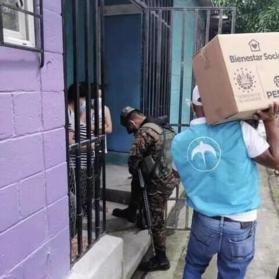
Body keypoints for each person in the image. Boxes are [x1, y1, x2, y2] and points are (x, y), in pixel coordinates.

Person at [171, 86, 279, 279]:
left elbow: (176, 174)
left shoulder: (180, 141)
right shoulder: (241, 130)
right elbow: (276, 161)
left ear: (193, 106)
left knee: (194, 267)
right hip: (241, 223)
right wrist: (270, 121)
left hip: (205, 221)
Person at [112, 106, 180, 271]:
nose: (132, 132)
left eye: (130, 129)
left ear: (132, 122)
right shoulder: (163, 126)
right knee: (137, 182)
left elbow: (133, 159)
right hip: (172, 177)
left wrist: (135, 167)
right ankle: (133, 212)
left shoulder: (145, 131)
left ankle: (161, 258)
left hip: (158, 182)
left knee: (155, 218)